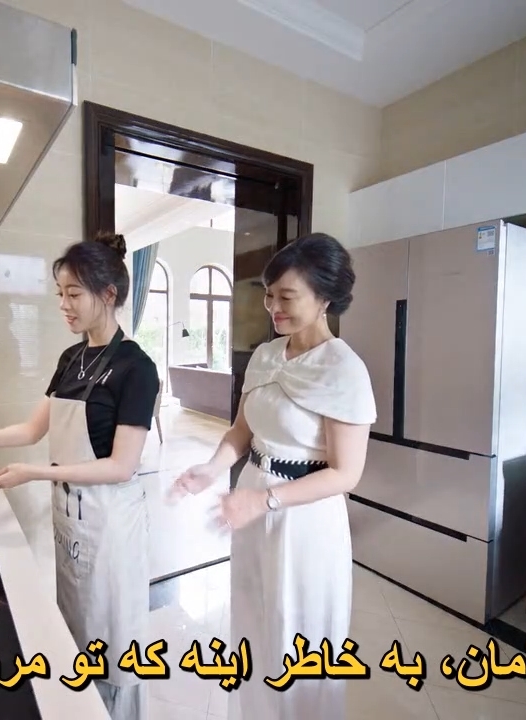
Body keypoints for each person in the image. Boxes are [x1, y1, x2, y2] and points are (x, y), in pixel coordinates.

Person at [0, 232, 159, 720]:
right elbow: (33, 429)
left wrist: (32, 472)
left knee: (113, 644)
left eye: (74, 293)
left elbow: (122, 465)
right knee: (74, 631)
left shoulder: (136, 367)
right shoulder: (71, 359)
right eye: (60, 293)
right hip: (70, 517)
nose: (63, 305)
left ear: (109, 294)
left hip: (110, 524)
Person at [170, 233, 375, 720]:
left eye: (287, 296)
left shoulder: (343, 369)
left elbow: (346, 473)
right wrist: (212, 469)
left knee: (297, 634)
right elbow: (242, 432)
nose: (273, 308)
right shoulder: (265, 356)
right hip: (252, 503)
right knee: (254, 621)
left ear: (324, 298)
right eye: (269, 295)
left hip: (305, 519)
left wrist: (265, 500)